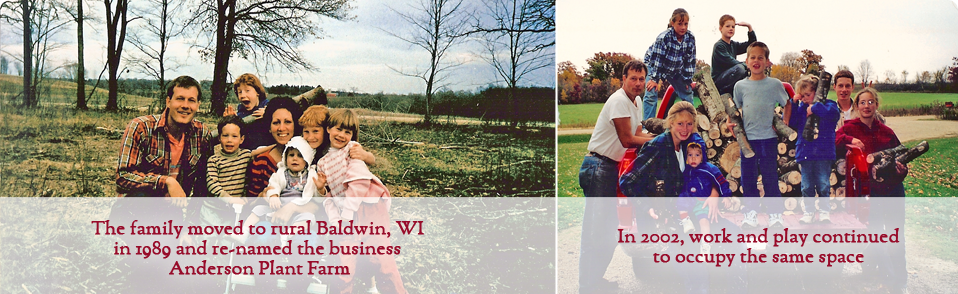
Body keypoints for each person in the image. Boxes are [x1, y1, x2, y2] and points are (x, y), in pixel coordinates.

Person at [620, 102, 747, 293]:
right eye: (680, 124)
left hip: (697, 209)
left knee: (735, 238)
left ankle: (736, 287)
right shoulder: (658, 146)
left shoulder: (693, 142)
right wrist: (648, 205)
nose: (684, 129)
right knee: (693, 267)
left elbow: (708, 172)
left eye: (689, 124)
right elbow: (627, 182)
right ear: (670, 123)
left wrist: (713, 193)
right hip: (673, 215)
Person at [111, 75, 213, 293]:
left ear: (198, 105)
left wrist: (190, 226)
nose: (185, 106)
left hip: (174, 213)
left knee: (180, 273)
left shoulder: (201, 134)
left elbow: (202, 187)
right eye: (180, 99)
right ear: (168, 101)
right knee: (155, 267)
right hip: (134, 209)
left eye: (191, 100)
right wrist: (166, 182)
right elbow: (122, 176)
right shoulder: (141, 127)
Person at [576, 60, 654, 293]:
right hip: (598, 166)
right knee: (596, 230)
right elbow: (627, 140)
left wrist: (663, 134)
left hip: (611, 168)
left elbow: (638, 132)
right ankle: (586, 286)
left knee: (608, 231)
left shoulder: (637, 101)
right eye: (633, 78)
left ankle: (595, 281)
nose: (638, 83)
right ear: (624, 79)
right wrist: (660, 141)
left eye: (642, 79)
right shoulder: (619, 100)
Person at [316, 108, 406, 294]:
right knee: (344, 267)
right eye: (338, 129)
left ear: (353, 136)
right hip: (345, 217)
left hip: (369, 209)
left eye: (347, 132)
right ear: (328, 129)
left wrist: (364, 155)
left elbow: (360, 182)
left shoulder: (352, 150)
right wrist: (336, 220)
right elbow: (329, 196)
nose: (341, 135)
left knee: (382, 260)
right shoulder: (323, 163)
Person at [835, 87, 908, 292]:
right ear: (857, 106)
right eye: (862, 103)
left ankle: (900, 278)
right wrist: (849, 140)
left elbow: (901, 155)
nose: (866, 106)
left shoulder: (887, 132)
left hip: (893, 189)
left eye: (870, 102)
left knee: (896, 234)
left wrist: (902, 170)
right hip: (871, 192)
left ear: (876, 105)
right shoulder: (849, 127)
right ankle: (886, 276)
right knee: (876, 233)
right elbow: (834, 141)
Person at [728, 41, 790, 229]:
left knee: (770, 177)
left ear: (767, 62)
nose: (756, 61)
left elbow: (787, 103)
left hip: (769, 140)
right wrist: (730, 123)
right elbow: (735, 111)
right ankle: (751, 214)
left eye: (760, 58)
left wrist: (784, 123)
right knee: (748, 178)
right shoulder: (740, 86)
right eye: (752, 57)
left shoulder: (774, 84)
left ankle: (775, 215)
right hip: (748, 141)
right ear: (746, 61)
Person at [236, 137, 318, 243]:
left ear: (307, 159)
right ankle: (243, 232)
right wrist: (273, 196)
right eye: (291, 155)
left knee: (309, 218)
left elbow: (316, 196)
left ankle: (287, 236)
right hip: (277, 207)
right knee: (258, 210)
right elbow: (273, 185)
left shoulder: (311, 175)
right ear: (285, 158)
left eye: (300, 156)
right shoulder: (281, 173)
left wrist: (320, 188)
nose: (295, 159)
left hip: (299, 211)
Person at [787, 75, 841, 224]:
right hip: (805, 154)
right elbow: (792, 122)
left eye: (808, 95)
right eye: (802, 96)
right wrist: (794, 102)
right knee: (807, 185)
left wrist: (816, 108)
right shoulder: (801, 108)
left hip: (824, 154)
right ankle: (809, 212)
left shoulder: (829, 105)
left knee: (823, 184)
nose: (805, 99)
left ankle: (824, 212)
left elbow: (834, 115)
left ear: (817, 93)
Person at [676, 142, 732, 255]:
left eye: (697, 155)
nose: (693, 158)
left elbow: (721, 182)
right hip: (690, 199)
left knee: (704, 222)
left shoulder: (709, 169)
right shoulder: (686, 170)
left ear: (702, 156)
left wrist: (726, 196)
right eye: (690, 155)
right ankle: (686, 221)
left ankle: (705, 245)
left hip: (702, 201)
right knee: (680, 200)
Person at [641, 8, 696, 121]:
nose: (683, 27)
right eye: (680, 24)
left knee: (687, 92)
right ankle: (648, 125)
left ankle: (691, 121)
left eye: (686, 24)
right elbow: (657, 58)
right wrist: (654, 79)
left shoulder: (690, 38)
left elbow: (689, 60)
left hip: (675, 68)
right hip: (655, 65)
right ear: (672, 23)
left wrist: (687, 79)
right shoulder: (664, 38)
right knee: (651, 92)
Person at [224, 73, 271, 149]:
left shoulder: (268, 106)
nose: (242, 95)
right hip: (246, 152)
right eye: (240, 92)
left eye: (247, 91)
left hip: (266, 149)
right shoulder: (241, 113)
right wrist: (230, 121)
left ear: (257, 92)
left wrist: (269, 114)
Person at [711, 14, 756, 95]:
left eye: (733, 27)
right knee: (740, 68)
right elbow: (731, 62)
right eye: (727, 26)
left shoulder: (733, 45)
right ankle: (724, 92)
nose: (731, 29)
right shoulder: (719, 46)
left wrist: (749, 27)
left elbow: (752, 45)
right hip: (719, 81)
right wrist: (747, 65)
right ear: (720, 28)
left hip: (730, 77)